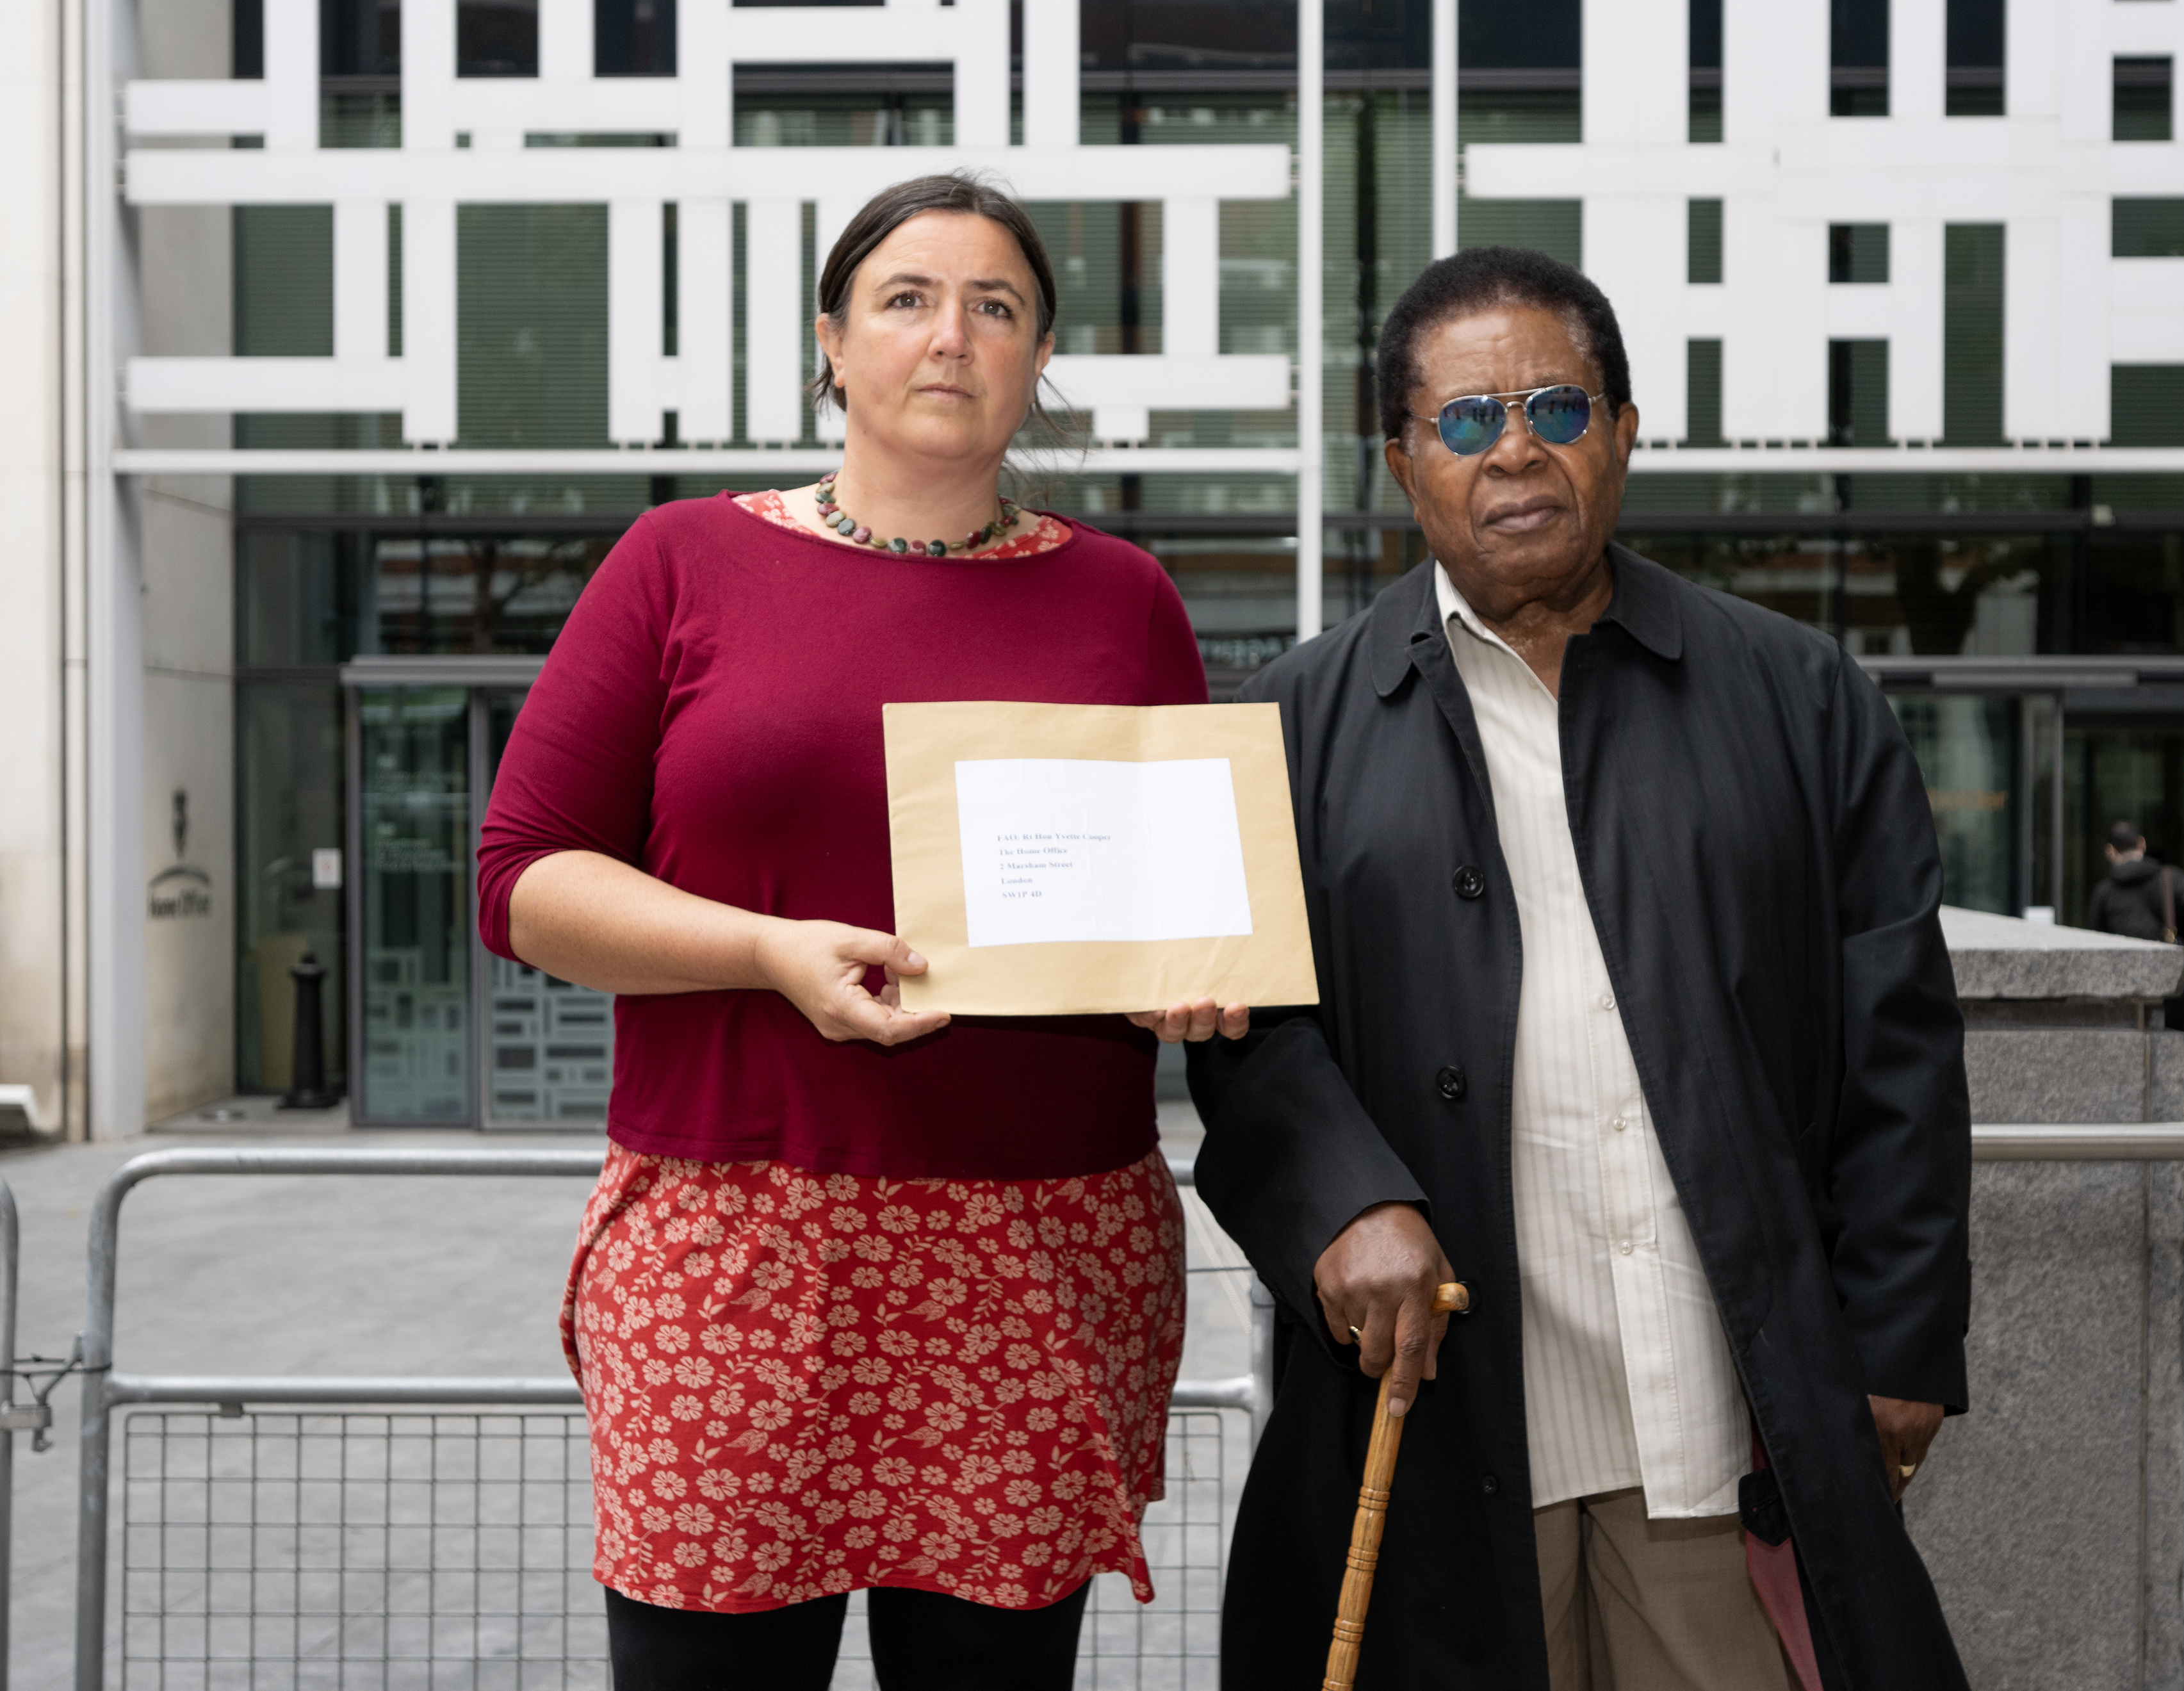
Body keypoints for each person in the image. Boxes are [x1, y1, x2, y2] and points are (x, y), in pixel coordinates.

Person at [475, 172, 1246, 1691]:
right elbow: (521, 877)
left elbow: (1169, 900)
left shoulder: (1125, 597)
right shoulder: (681, 562)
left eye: (996, 305)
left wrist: (1193, 976)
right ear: (833, 341)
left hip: (1035, 1252)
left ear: (1039, 359)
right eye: (905, 297)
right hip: (735, 1247)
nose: (949, 334)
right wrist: (766, 951)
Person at [1184, 247, 1973, 1690]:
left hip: (1720, 1408)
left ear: (1621, 427)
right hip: (1445, 1419)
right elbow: (1247, 1042)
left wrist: (1899, 1342)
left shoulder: (1798, 697)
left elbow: (1901, 1043)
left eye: (1555, 403)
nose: (1517, 449)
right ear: (1401, 460)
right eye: (1468, 420)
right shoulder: (1292, 723)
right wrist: (1340, 1202)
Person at [2085, 821, 2184, 951]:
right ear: (2142, 844)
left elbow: (2094, 942)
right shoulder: (2172, 879)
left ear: (2110, 850)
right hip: (2169, 967)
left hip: (2119, 969)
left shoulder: (2103, 892)